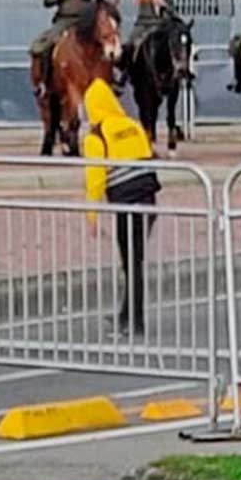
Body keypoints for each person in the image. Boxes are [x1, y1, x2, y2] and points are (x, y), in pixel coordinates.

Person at [81, 78, 161, 335]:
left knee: (131, 262)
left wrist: (92, 215)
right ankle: (126, 314)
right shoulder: (133, 125)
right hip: (148, 199)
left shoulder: (97, 135)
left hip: (126, 203)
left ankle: (135, 322)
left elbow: (95, 178)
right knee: (134, 260)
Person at [31, 0, 98, 86]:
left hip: (83, 22)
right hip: (64, 21)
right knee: (45, 45)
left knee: (105, 45)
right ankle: (45, 80)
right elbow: (47, 2)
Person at [119, 0, 169, 82]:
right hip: (143, 23)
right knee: (130, 44)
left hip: (159, 25)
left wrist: (164, 5)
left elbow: (171, 11)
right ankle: (125, 74)